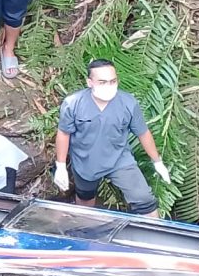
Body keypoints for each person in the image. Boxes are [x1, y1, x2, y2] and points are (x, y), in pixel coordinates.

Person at [54, 59, 170, 217]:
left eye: (112, 81)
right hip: (85, 161)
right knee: (85, 199)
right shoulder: (73, 103)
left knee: (144, 201)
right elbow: (64, 133)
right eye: (102, 82)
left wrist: (157, 161)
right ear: (90, 82)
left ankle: (154, 236)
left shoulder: (128, 103)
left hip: (119, 159)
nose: (108, 86)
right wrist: (60, 166)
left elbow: (142, 132)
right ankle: (85, 233)